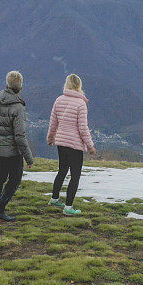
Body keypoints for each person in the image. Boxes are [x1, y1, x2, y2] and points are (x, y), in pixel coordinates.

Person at [0, 70, 34, 222]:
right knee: (15, 179)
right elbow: (19, 136)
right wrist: (29, 158)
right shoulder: (18, 107)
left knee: (1, 177)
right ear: (20, 86)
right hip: (13, 152)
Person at [46, 73, 95, 216]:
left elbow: (53, 122)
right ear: (79, 86)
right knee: (75, 175)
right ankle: (68, 207)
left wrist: (50, 138)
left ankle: (54, 198)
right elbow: (83, 128)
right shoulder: (80, 104)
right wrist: (90, 146)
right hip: (74, 144)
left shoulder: (59, 100)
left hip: (61, 142)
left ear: (66, 85)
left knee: (62, 170)